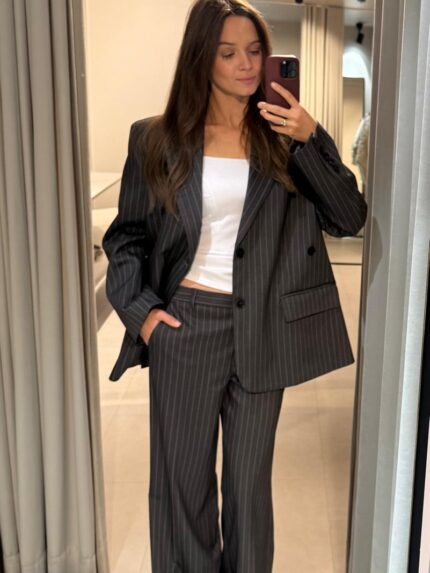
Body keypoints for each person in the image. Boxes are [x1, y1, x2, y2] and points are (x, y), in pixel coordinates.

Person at [102, 0, 368, 571]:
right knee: (182, 485)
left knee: (249, 488)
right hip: (184, 324)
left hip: (263, 325)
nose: (246, 65)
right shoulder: (156, 139)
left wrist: (310, 136)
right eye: (228, 54)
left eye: (254, 51)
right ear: (202, 58)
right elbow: (126, 238)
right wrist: (144, 316)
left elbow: (349, 218)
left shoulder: (283, 139)